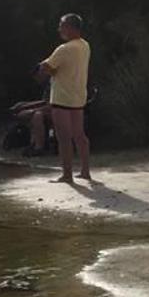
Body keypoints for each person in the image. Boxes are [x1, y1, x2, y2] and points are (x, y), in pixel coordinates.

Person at [36, 14, 92, 183]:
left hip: (62, 98)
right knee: (80, 135)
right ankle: (85, 171)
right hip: (78, 97)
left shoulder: (64, 48)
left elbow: (45, 68)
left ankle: (67, 175)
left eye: (61, 25)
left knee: (63, 137)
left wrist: (46, 70)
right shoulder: (85, 46)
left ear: (70, 27)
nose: (59, 29)